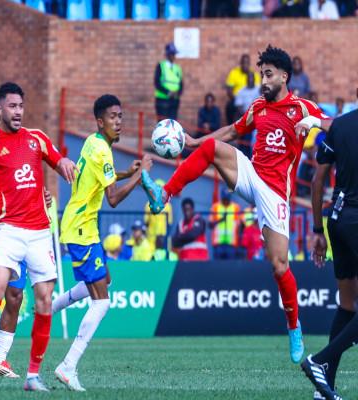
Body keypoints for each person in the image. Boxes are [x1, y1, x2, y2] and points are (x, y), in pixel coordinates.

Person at [141, 45, 332, 364]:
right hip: (252, 173)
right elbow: (232, 130)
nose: (263, 80)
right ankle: (164, 195)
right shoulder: (258, 107)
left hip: (276, 193)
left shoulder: (301, 107)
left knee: (279, 265)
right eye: (262, 74)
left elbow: (334, 125)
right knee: (211, 149)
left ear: (284, 77)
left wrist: (312, 121)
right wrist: (195, 142)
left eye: (269, 75)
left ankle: (293, 326)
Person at [0, 82, 78, 392]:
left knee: (43, 300)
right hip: (7, 230)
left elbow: (57, 160)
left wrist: (65, 163)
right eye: (12, 106)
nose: (18, 112)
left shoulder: (37, 138)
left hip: (39, 233)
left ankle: (32, 375)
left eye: (21, 106)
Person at [53, 94, 152, 391]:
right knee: (102, 301)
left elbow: (101, 178)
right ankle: (68, 365)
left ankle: (49, 308)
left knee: (103, 279)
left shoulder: (93, 143)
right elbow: (113, 198)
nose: (118, 121)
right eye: (112, 117)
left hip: (84, 227)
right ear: (100, 121)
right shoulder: (102, 151)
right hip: (82, 229)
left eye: (120, 116)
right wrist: (141, 176)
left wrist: (127, 173)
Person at [301, 94, 358, 400]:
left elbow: (317, 181)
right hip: (356, 220)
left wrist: (317, 230)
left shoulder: (340, 125)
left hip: (336, 219)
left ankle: (325, 389)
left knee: (347, 304)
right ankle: (320, 360)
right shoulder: (337, 125)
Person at [225, 54, 261, 124]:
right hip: (237, 99)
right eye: (243, 63)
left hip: (252, 100)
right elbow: (229, 91)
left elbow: (258, 91)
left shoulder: (254, 75)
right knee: (230, 106)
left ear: (249, 64)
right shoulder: (234, 73)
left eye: (247, 63)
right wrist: (238, 100)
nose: (245, 65)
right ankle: (231, 126)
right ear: (240, 63)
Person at [209, 188, 242, 260]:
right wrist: (220, 220)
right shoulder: (215, 207)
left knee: (230, 266)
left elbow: (240, 225)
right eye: (224, 199)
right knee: (217, 266)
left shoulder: (236, 208)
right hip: (218, 243)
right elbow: (210, 224)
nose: (226, 201)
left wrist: (239, 243)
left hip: (231, 243)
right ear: (221, 198)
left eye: (227, 199)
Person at [154, 43, 183, 121]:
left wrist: (177, 93)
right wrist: (168, 92)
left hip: (174, 100)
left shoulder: (178, 68)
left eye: (174, 54)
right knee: (162, 123)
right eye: (172, 54)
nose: (173, 56)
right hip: (162, 100)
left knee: (172, 123)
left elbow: (181, 85)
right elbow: (157, 83)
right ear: (167, 54)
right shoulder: (161, 66)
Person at [144, 179, 172, 252]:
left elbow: (169, 224)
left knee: (162, 256)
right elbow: (146, 223)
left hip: (163, 239)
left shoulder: (168, 206)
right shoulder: (148, 204)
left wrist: (166, 237)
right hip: (151, 239)